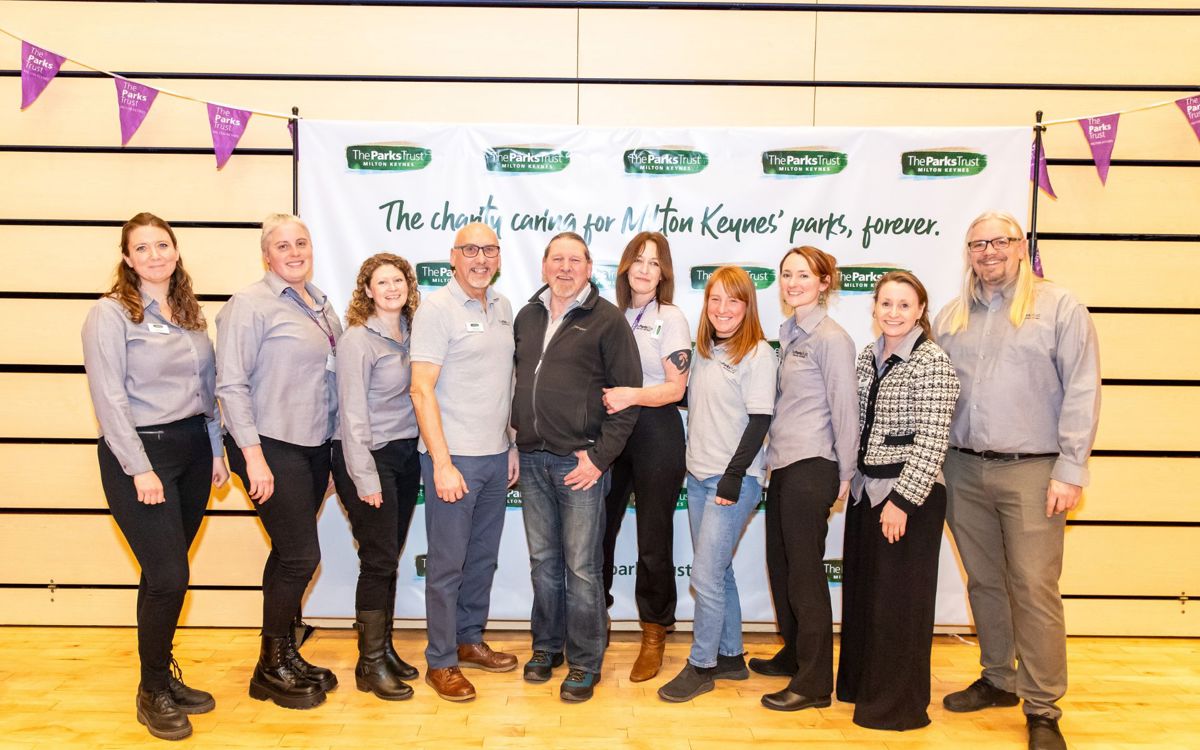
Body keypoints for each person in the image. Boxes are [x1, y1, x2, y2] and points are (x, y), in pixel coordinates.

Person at [935, 212, 1100, 750]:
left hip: (1035, 470)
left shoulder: (1059, 307)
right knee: (983, 580)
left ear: (1021, 246)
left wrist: (1070, 469)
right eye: (978, 243)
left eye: (1000, 241)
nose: (989, 252)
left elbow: (1082, 389)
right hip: (962, 467)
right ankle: (998, 678)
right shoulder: (952, 316)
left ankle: (1043, 706)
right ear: (968, 252)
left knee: (1033, 587)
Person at [82, 212, 229, 741]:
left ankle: (162, 674)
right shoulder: (111, 314)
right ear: (127, 258)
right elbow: (109, 398)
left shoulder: (190, 313)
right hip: (141, 455)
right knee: (169, 576)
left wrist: (215, 450)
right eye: (141, 248)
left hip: (192, 449)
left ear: (175, 251)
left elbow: (207, 390)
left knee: (162, 574)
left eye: (162, 245)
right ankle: (150, 691)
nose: (154, 255)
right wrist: (139, 467)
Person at [217, 213, 342, 710]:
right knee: (300, 556)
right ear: (266, 255)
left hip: (311, 447)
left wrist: (331, 455)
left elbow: (331, 384)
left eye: (301, 243)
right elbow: (230, 383)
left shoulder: (320, 306)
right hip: (268, 445)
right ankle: (270, 668)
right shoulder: (250, 305)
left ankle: (282, 653)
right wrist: (253, 458)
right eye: (282, 246)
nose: (294, 252)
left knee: (286, 555)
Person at [512, 231, 642, 702]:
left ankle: (586, 661)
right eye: (556, 259)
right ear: (544, 265)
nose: (565, 268)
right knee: (543, 563)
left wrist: (599, 456)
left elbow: (626, 399)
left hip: (579, 463)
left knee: (583, 568)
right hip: (530, 459)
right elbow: (516, 383)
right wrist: (512, 438)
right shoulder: (526, 316)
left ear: (589, 269)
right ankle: (547, 647)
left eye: (575, 260)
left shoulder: (607, 321)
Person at [834, 270, 959, 730]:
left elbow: (931, 440)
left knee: (899, 605)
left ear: (921, 310)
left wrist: (903, 501)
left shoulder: (933, 363)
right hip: (868, 492)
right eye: (886, 303)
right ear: (874, 308)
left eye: (904, 305)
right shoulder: (868, 356)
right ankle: (862, 687)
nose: (894, 313)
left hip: (909, 497)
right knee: (867, 597)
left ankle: (896, 707)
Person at [410, 223, 520, 702]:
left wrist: (511, 443)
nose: (480, 258)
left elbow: (506, 383)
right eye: (471, 250)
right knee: (447, 565)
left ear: (498, 257)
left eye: (489, 250)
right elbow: (421, 388)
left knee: (482, 560)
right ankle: (441, 660)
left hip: (496, 457)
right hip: (453, 460)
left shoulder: (503, 307)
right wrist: (442, 461)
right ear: (453, 257)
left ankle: (470, 640)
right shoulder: (436, 309)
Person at [658, 265, 776, 703]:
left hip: (733, 481)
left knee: (705, 576)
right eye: (716, 299)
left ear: (748, 306)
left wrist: (732, 476)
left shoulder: (758, 354)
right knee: (719, 571)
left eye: (734, 300)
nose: (723, 309)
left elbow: (760, 419)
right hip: (699, 477)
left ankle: (701, 665)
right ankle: (729, 656)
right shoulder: (704, 350)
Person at [755, 247, 858, 711]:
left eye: (804, 275)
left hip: (814, 466)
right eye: (786, 274)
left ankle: (815, 683)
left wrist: (846, 473)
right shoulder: (789, 332)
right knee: (782, 567)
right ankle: (795, 654)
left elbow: (846, 411)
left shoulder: (831, 338)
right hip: (784, 465)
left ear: (824, 283)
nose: (793, 282)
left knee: (805, 575)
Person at [329, 253, 422, 702]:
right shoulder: (356, 341)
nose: (391, 288)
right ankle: (369, 665)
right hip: (368, 459)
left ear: (408, 286)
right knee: (378, 560)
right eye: (381, 282)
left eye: (398, 280)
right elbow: (351, 414)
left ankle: (383, 649)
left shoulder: (413, 333)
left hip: (406, 456)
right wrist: (364, 476)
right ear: (366, 290)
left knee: (389, 556)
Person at [599, 231, 691, 682]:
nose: (644, 268)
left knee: (654, 539)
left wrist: (631, 394)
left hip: (656, 431)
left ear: (664, 272)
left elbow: (677, 388)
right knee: (598, 531)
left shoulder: (670, 317)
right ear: (625, 267)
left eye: (654, 262)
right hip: (613, 434)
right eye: (638, 259)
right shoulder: (609, 315)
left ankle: (654, 630)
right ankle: (593, 622)